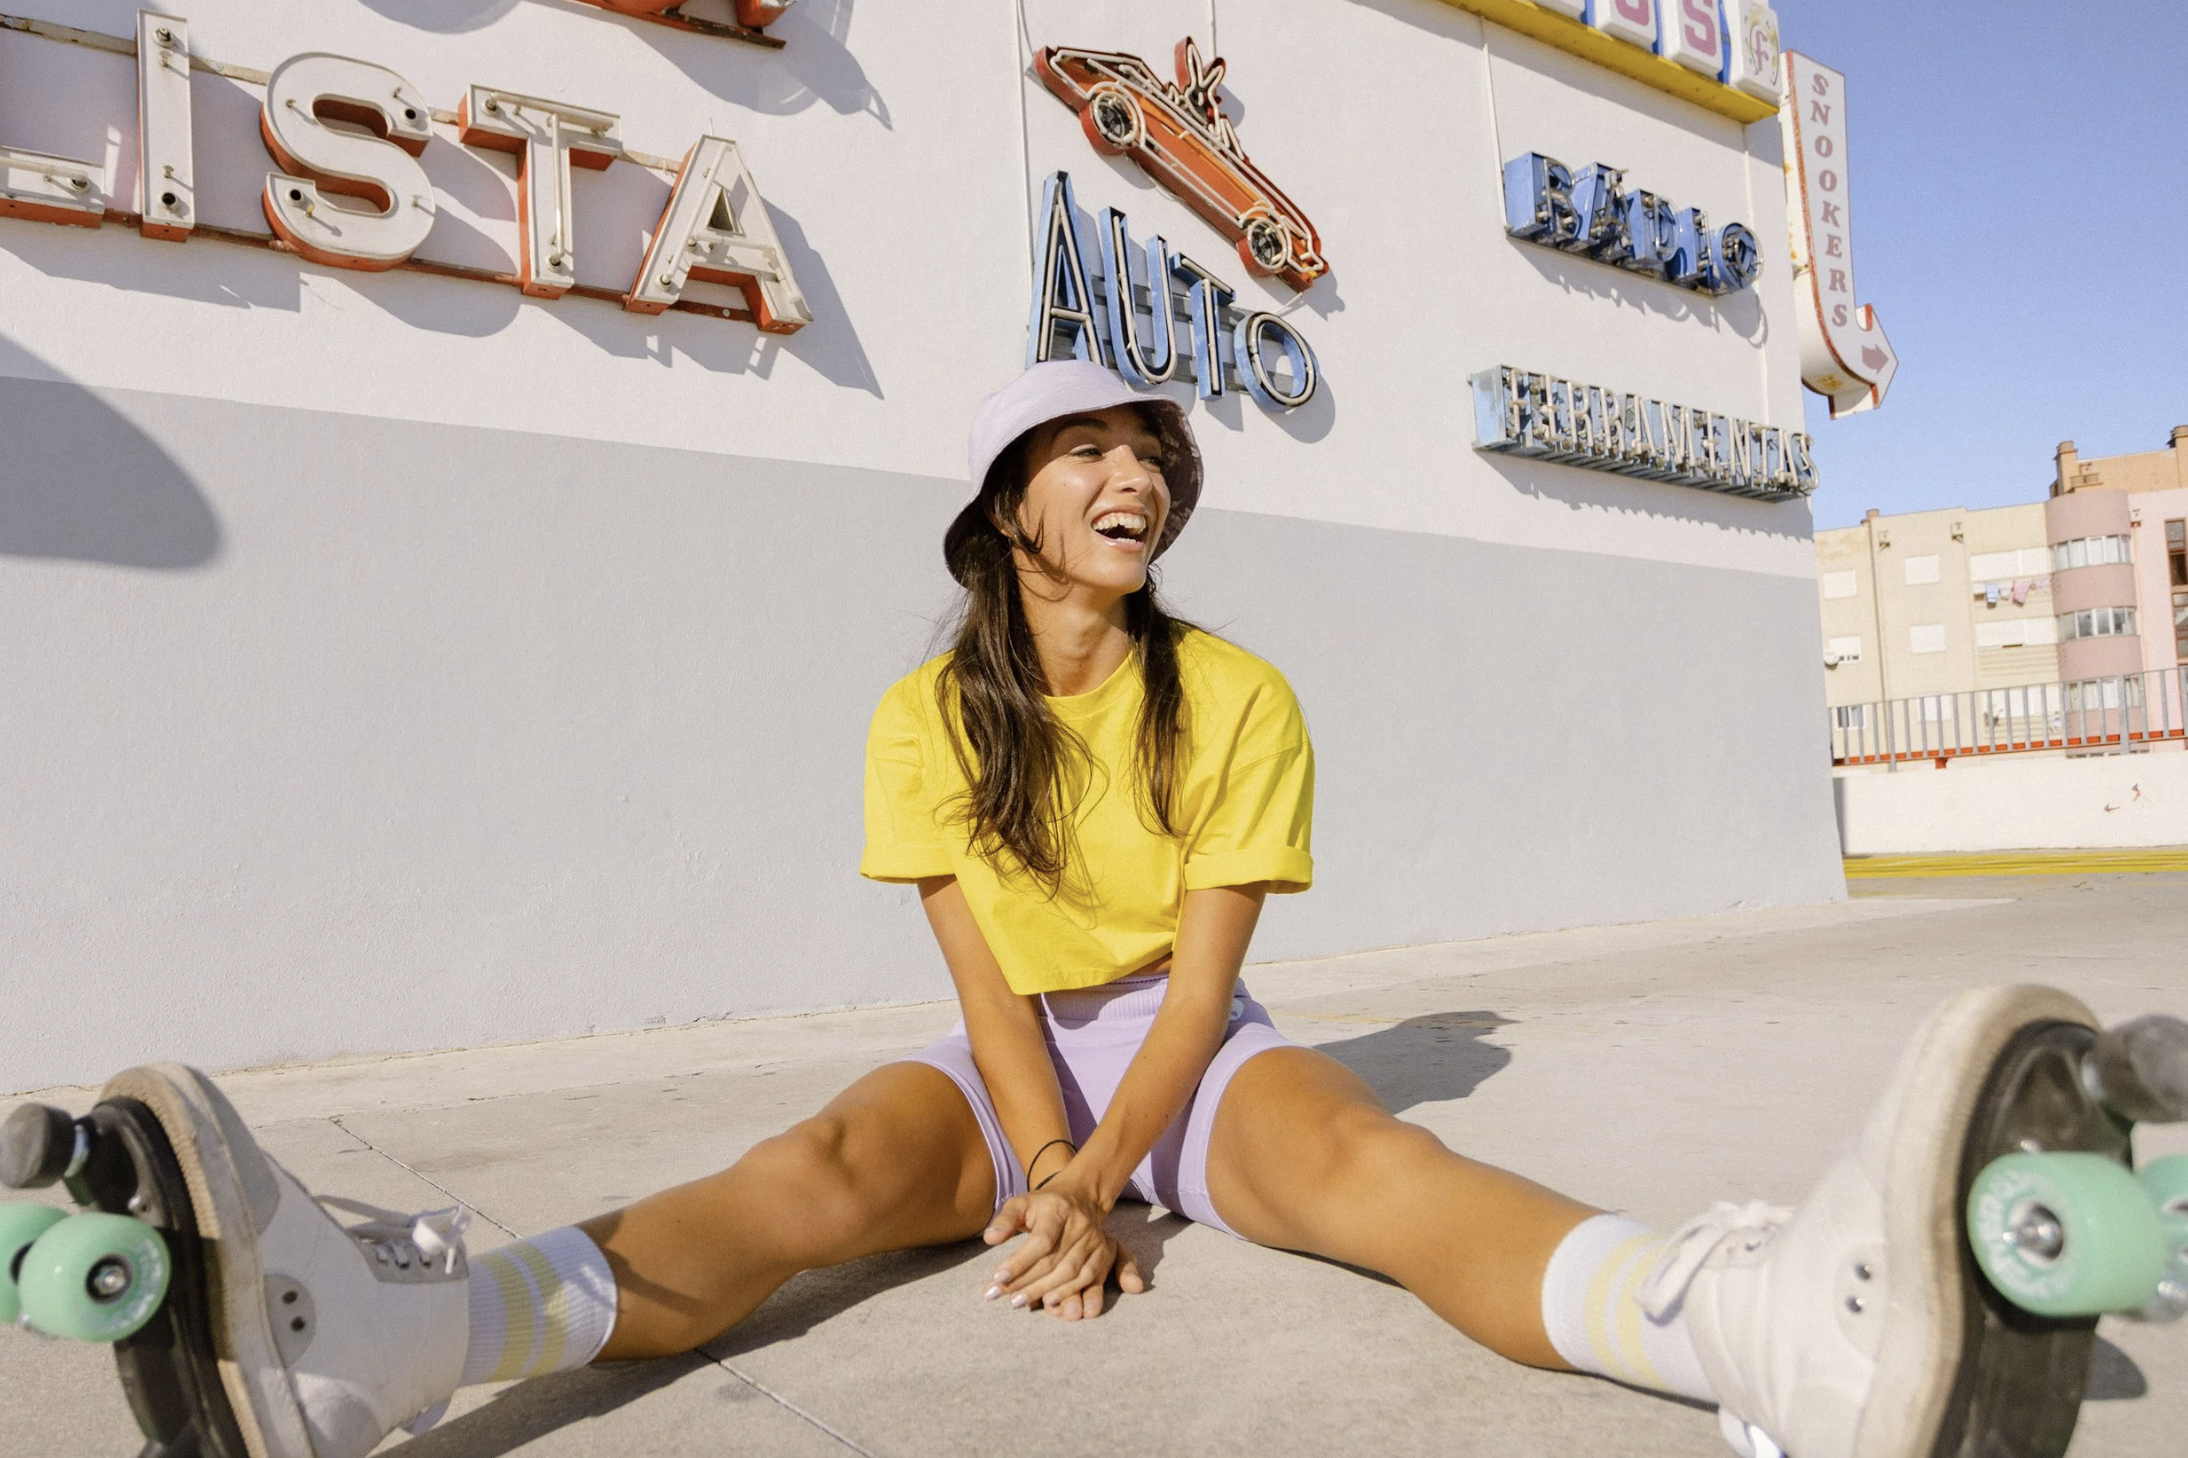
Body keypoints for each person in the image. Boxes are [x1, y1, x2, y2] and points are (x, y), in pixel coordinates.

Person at [26, 362, 2107, 1458]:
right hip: (1022, 1054)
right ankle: (377, 1345)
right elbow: (983, 981)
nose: (1137, 476)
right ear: (1002, 502)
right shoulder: (924, 718)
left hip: (1191, 1057)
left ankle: (1762, 1331)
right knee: (819, 1166)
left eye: (1154, 454)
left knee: (1381, 1164)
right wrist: (1035, 1160)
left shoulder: (1243, 696)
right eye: (1090, 448)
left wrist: (1115, 1176)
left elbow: (1196, 1000)